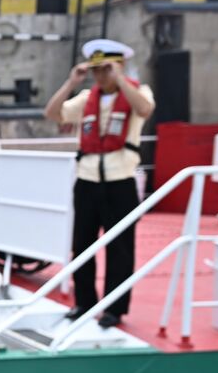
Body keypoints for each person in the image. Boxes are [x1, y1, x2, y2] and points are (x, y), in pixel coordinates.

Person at [43, 39, 156, 329]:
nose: (101, 76)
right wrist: (71, 83)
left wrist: (120, 78)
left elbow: (144, 110)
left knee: (120, 248)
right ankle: (84, 302)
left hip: (120, 182)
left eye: (106, 69)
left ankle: (114, 307)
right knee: (82, 243)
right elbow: (53, 113)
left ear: (119, 66)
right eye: (97, 70)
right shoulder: (86, 98)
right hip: (88, 180)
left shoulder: (137, 92)